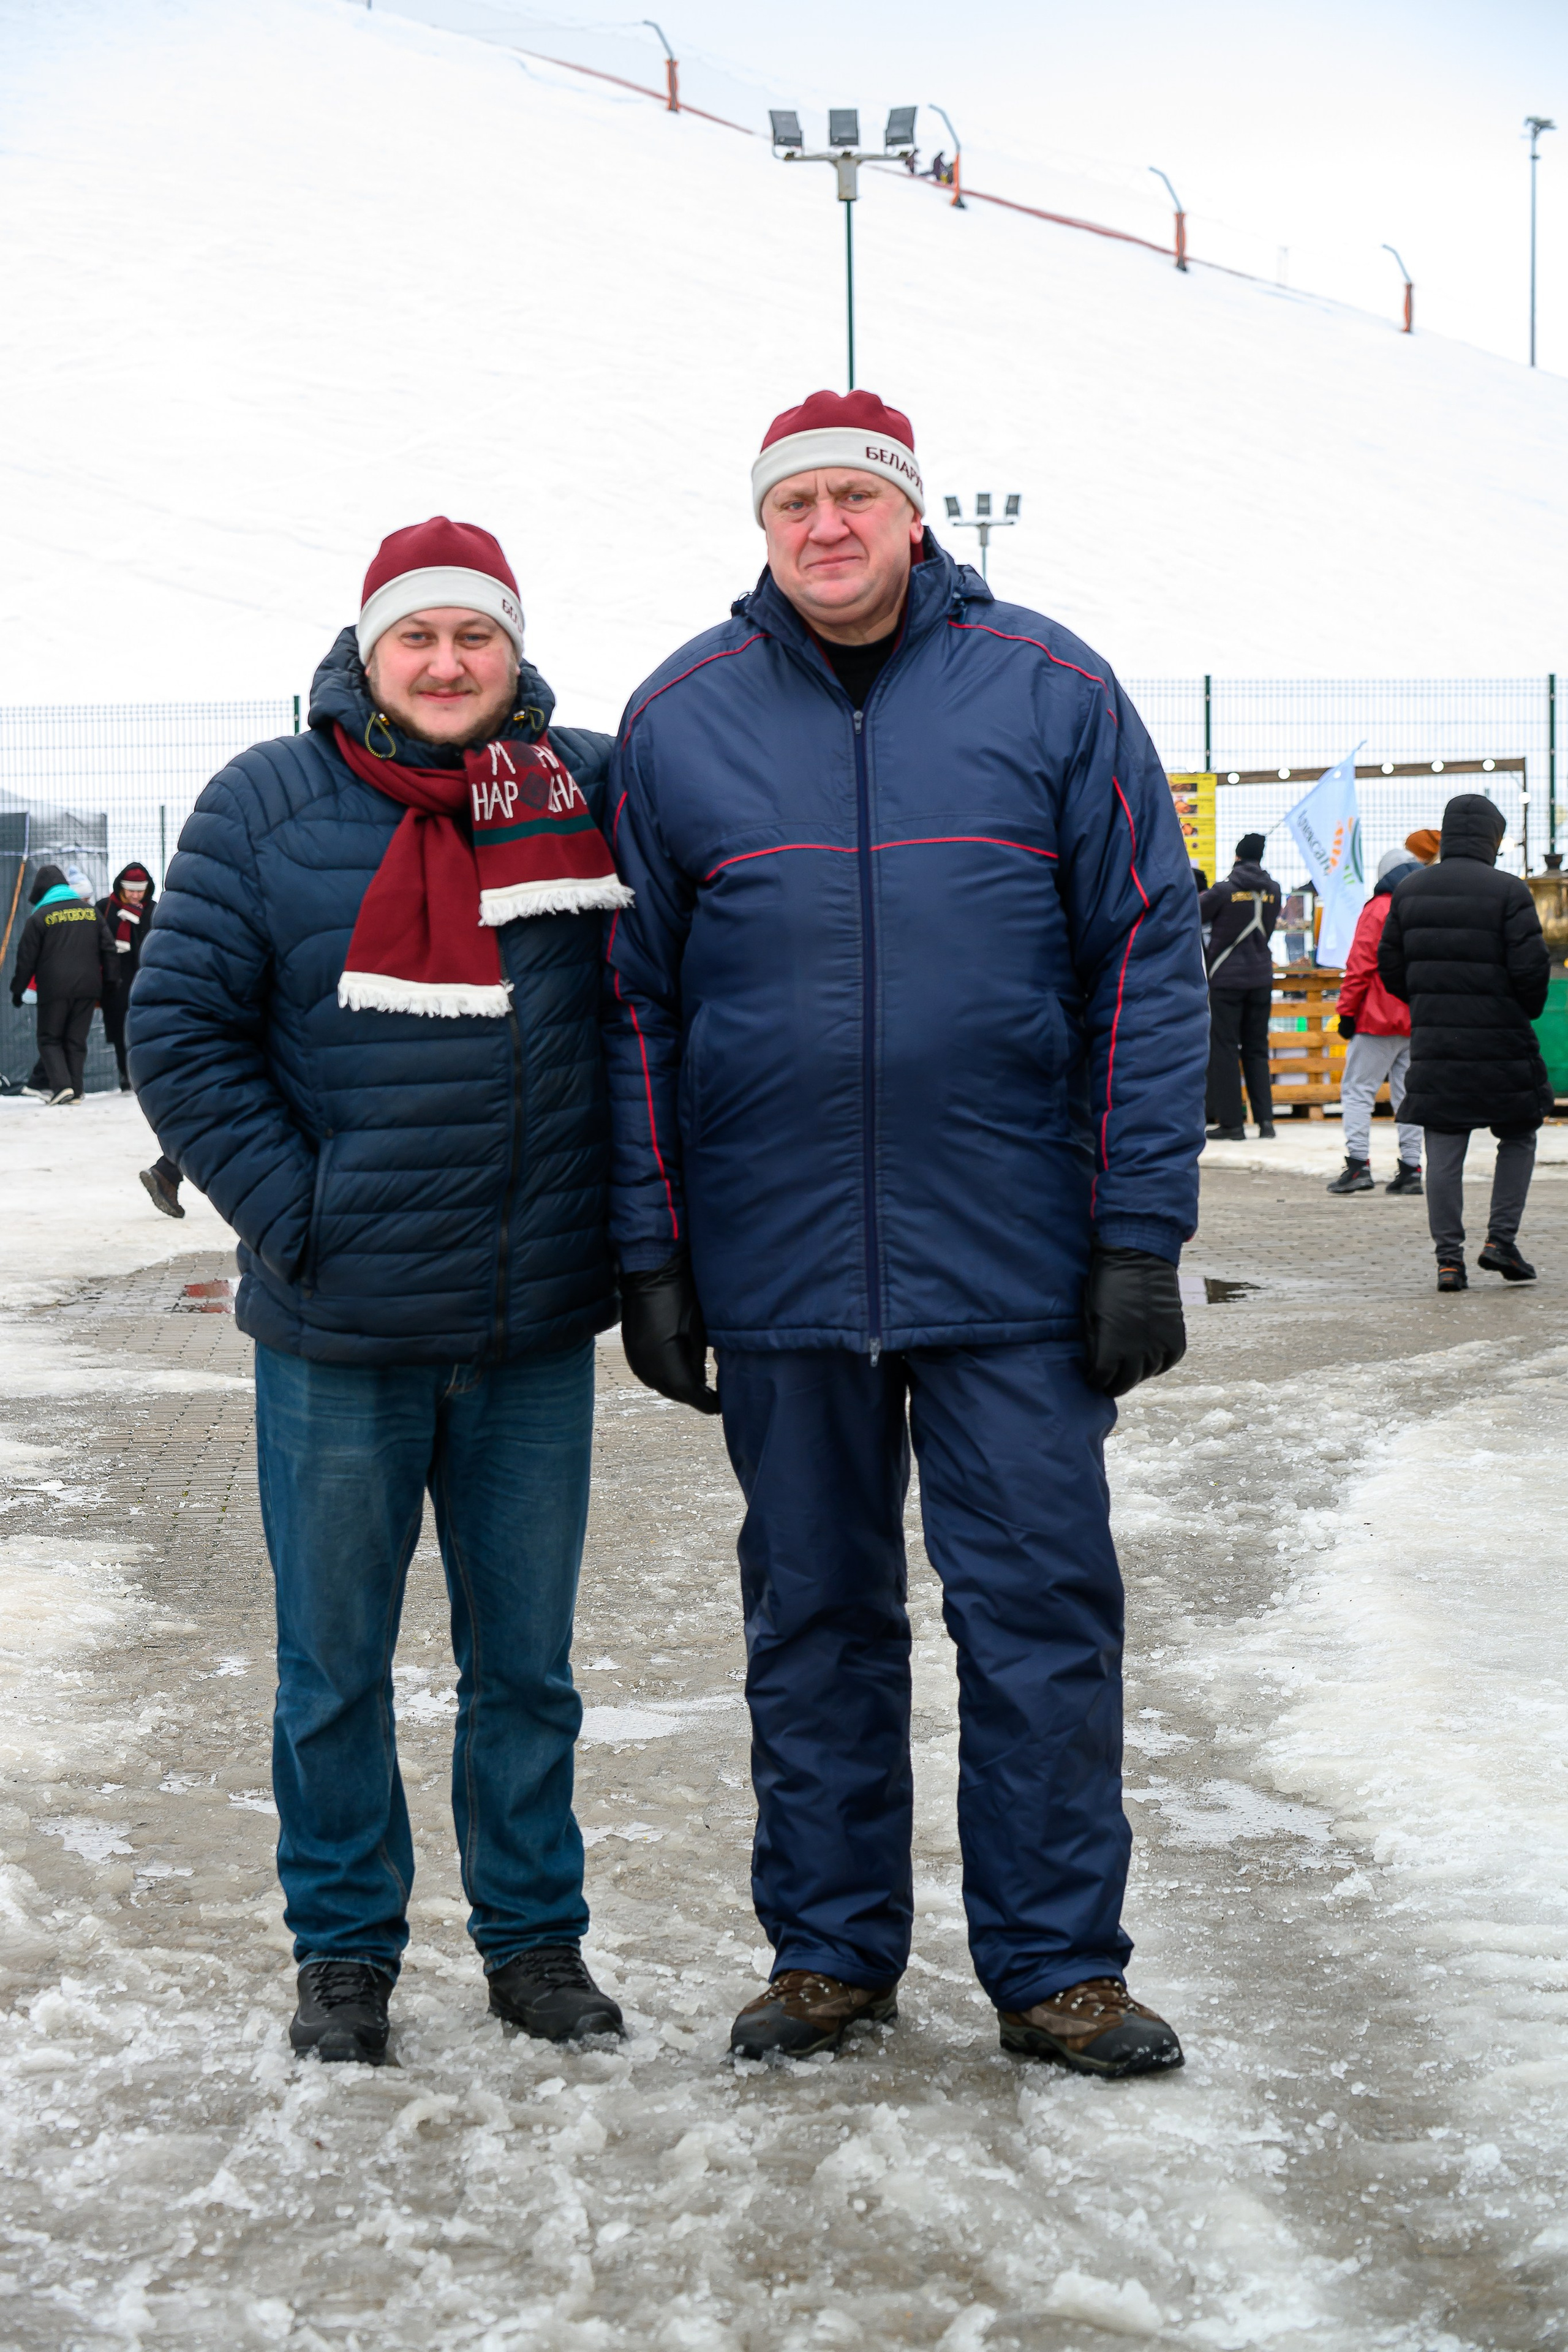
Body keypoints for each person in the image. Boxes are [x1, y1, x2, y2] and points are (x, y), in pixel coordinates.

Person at [605, 389, 1205, 2076]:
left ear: (916, 516)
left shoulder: (1054, 691)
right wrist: (654, 1250)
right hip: (780, 1263)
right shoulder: (681, 719)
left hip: (1012, 1257)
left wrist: (1137, 1232)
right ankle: (830, 1956)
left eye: (856, 497)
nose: (825, 528)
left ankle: (1058, 1969)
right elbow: (632, 1006)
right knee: (815, 1617)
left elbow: (1144, 967)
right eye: (794, 503)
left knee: (1038, 1612)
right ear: (762, 527)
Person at [129, 517, 631, 2064]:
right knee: (332, 1664)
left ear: (513, 646)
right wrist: (298, 1214)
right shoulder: (267, 805)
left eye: (472, 635)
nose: (444, 662)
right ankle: (343, 1949)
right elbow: (182, 1030)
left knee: (525, 1669)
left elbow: (658, 1013)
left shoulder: (588, 791)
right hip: (338, 1331)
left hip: (530, 1326)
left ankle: (533, 1941)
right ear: (366, 650)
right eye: (415, 636)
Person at [1378, 793, 1550, 1292]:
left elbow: (1390, 967)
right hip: (1503, 1040)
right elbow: (1531, 969)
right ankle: (1501, 1241)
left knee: (1444, 1147)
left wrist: (1428, 1000)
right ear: (1492, 839)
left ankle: (1448, 1261)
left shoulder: (1410, 891)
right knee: (1518, 1133)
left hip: (1436, 1040)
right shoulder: (1509, 891)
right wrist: (1521, 1007)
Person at [1326, 846, 1423, 1196]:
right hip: (1415, 1019)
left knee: (1357, 1091)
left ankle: (1357, 1166)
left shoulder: (1378, 908)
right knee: (1409, 1095)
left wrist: (1347, 1013)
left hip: (1376, 1018)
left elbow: (1361, 965)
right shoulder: (1421, 909)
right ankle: (1411, 1169)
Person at [9, 864, 113, 1104]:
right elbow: (109, 949)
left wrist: (18, 990)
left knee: (50, 1038)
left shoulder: (40, 917)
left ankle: (61, 1088)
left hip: (54, 989)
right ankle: (75, 1090)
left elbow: (26, 960)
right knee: (76, 1040)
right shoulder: (91, 912)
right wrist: (110, 982)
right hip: (89, 987)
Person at [1200, 833, 1280, 1140]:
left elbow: (1193, 911)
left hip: (1226, 980)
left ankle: (1233, 1124)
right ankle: (1266, 1123)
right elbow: (1269, 930)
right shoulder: (1274, 890)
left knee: (1225, 1049)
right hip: (1261, 978)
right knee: (1257, 1050)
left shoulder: (1223, 891)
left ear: (1236, 856)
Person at [97, 862, 155, 1091]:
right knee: (120, 1028)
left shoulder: (153, 910)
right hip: (116, 980)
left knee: (146, 1027)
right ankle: (125, 1074)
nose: (135, 895)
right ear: (121, 888)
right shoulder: (105, 908)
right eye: (130, 890)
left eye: (140, 890)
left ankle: (146, 1074)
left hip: (146, 977)